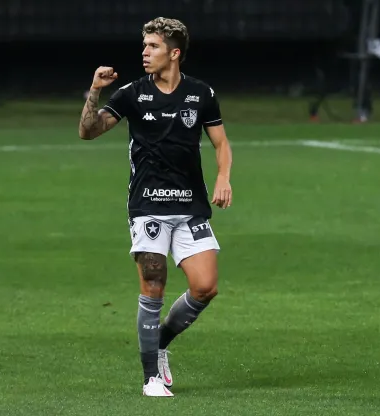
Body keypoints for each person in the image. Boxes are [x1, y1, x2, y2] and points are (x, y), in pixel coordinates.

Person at [77, 17, 233, 397]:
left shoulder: (201, 93)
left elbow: (221, 144)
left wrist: (223, 177)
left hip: (190, 204)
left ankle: (159, 342)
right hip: (147, 205)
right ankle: (150, 376)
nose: (145, 53)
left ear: (174, 53)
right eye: (144, 46)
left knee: (205, 287)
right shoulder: (131, 93)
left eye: (153, 47)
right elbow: (89, 131)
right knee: (154, 281)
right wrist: (94, 92)